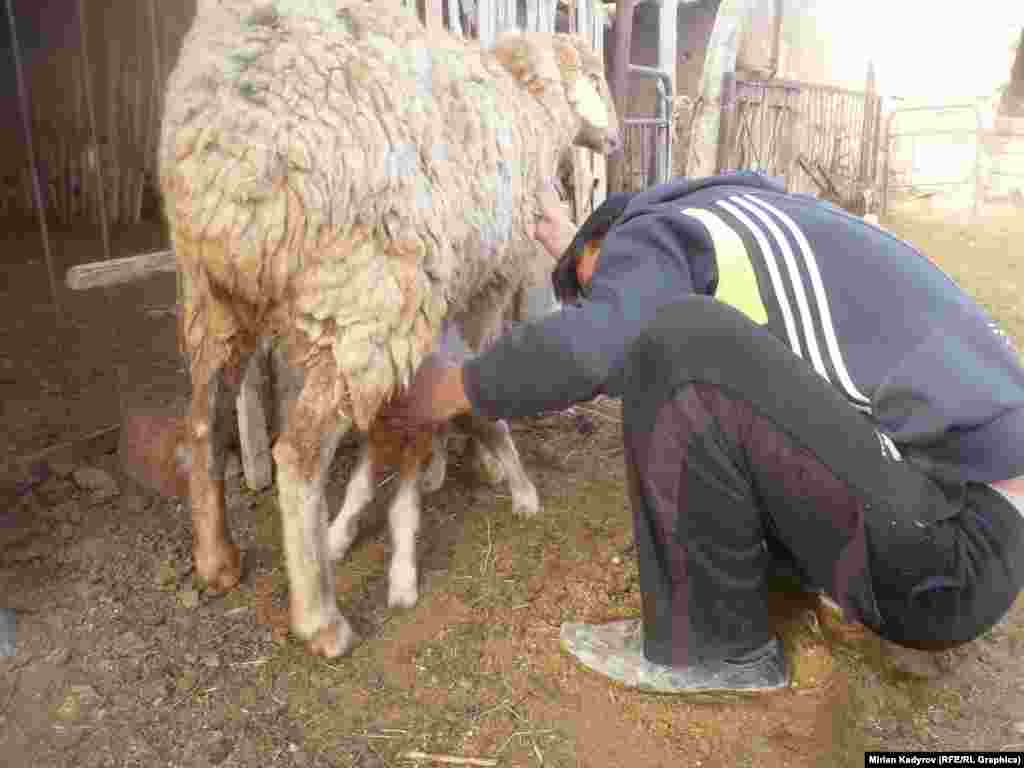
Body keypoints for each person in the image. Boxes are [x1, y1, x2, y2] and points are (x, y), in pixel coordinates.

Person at [379, 171, 1024, 697]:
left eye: (594, 285)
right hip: (971, 540)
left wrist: (447, 389)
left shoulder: (650, 234)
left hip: (944, 555)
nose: (604, 294)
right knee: (713, 364)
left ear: (611, 243)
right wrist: (576, 250)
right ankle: (821, 587)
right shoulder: (746, 216)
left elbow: (606, 337)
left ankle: (709, 650)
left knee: (675, 339)